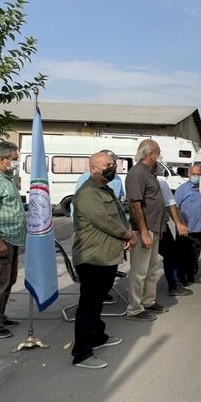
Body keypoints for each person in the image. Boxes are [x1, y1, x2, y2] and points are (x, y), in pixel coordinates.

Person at [71, 152, 136, 369]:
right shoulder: (88, 193)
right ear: (93, 169)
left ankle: (97, 336)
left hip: (106, 256)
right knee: (88, 305)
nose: (113, 167)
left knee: (97, 301)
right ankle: (81, 353)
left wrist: (125, 234)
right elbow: (105, 221)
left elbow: (117, 216)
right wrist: (128, 235)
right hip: (92, 258)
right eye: (107, 164)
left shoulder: (105, 188)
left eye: (113, 163)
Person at [125, 139, 167, 321]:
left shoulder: (150, 173)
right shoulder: (137, 174)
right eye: (158, 154)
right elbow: (135, 205)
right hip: (144, 230)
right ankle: (134, 308)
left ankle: (148, 301)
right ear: (151, 155)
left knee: (152, 269)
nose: (159, 157)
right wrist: (143, 232)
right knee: (139, 270)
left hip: (153, 229)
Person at [0, 141, 26, 340]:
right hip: (2, 240)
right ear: (1, 159)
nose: (15, 163)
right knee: (0, 282)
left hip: (13, 239)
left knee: (9, 280)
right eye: (13, 159)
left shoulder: (6, 178)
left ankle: (1, 314)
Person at [174, 165, 201, 285]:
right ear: (189, 175)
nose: (196, 177)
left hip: (198, 228)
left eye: (199, 174)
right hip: (185, 229)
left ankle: (191, 275)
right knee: (183, 255)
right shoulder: (182, 189)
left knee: (195, 253)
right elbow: (175, 208)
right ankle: (181, 278)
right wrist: (180, 223)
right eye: (194, 174)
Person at [156, 177, 192, 296]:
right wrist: (179, 224)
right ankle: (174, 285)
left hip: (142, 226)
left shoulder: (134, 176)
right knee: (171, 254)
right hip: (159, 226)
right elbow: (170, 205)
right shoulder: (160, 182)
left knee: (143, 262)